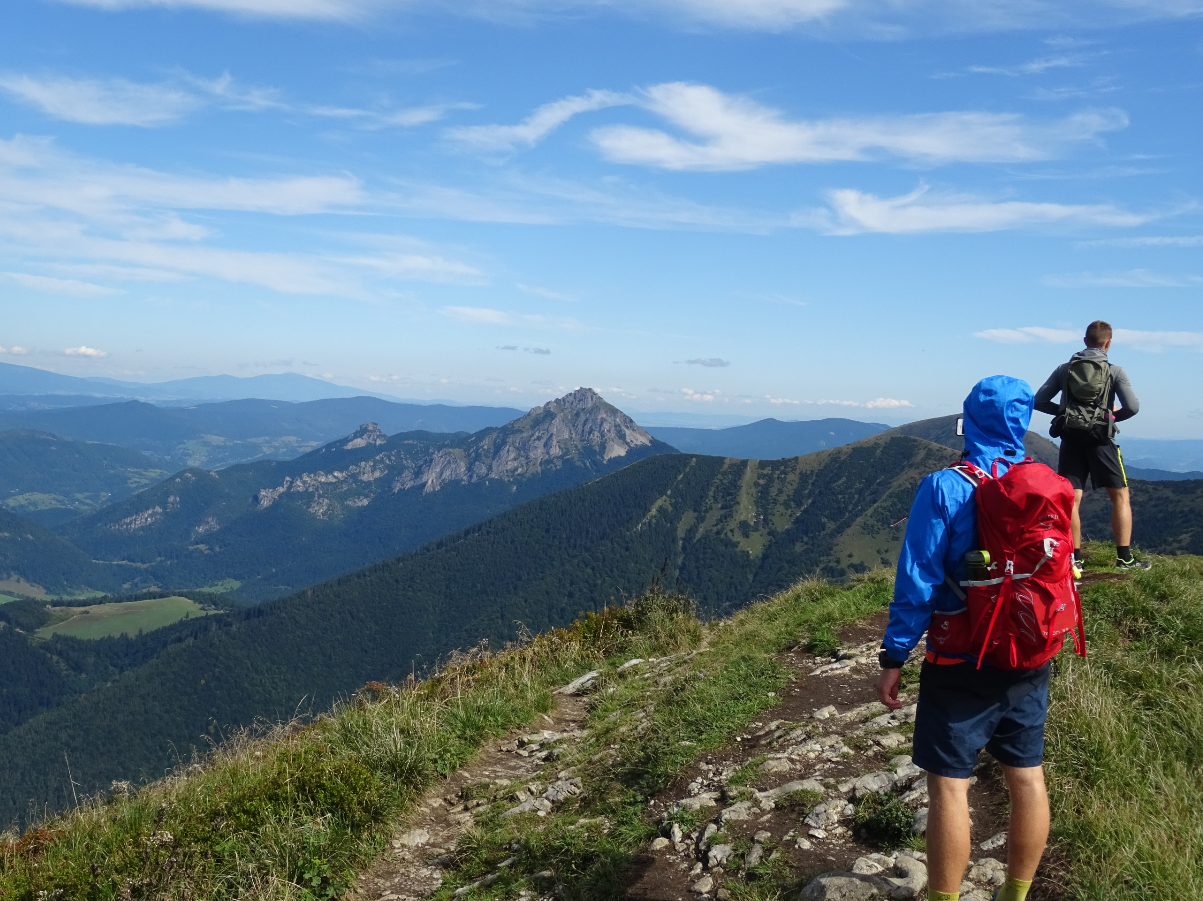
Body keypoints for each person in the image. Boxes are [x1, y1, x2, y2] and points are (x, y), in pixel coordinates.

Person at [876, 375, 1051, 901]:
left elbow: (918, 578)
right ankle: (1016, 894)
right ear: (1022, 423)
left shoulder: (947, 486)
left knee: (950, 787)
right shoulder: (1045, 481)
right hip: (1028, 650)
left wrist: (894, 654)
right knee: (1027, 775)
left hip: (961, 654)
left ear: (968, 419)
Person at [1033, 320, 1149, 572]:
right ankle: (1125, 559)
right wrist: (1109, 417)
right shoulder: (1115, 371)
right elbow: (1133, 407)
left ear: (1085, 341)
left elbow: (1039, 401)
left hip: (1071, 439)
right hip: (1101, 440)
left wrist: (1064, 413)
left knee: (1072, 498)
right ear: (1108, 343)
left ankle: (1075, 558)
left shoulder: (1064, 369)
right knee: (1120, 495)